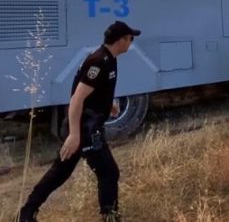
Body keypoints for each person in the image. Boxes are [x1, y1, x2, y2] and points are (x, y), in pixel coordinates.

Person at [17, 21, 142, 222]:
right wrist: (75, 135)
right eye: (130, 38)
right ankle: (110, 217)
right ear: (120, 40)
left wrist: (109, 104)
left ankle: (26, 213)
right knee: (108, 172)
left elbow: (95, 91)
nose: (131, 42)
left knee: (60, 173)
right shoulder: (98, 61)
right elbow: (76, 99)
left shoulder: (109, 59)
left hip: (87, 127)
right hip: (85, 130)